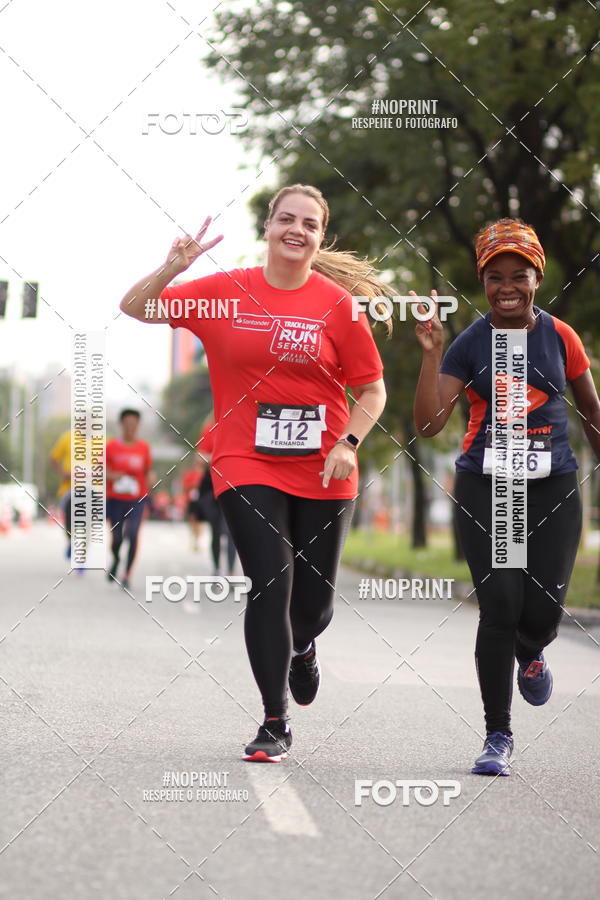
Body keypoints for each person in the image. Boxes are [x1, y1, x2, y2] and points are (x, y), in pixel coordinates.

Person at [119, 183, 389, 761]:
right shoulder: (225, 292)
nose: (296, 229)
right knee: (270, 582)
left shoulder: (337, 306)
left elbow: (371, 389)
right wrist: (170, 269)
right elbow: (136, 307)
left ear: (320, 237)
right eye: (286, 219)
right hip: (245, 460)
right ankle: (274, 720)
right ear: (268, 227)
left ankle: (304, 648)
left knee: (312, 608)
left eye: (309, 223)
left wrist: (348, 441)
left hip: (324, 466)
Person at [413, 218, 600, 776]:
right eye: (495, 277)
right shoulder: (470, 343)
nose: (507, 286)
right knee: (500, 607)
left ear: (537, 278)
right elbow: (428, 425)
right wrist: (430, 353)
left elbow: (591, 411)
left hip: (551, 487)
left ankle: (533, 650)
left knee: (541, 613)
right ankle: (498, 734)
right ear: (483, 281)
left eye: (519, 275)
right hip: (486, 486)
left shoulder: (562, 337)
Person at [106, 409, 153, 590]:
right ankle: (116, 559)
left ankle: (127, 574)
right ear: (121, 425)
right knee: (117, 537)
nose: (130, 428)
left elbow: (148, 471)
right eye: (127, 424)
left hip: (137, 498)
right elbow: (100, 471)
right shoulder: (111, 447)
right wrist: (113, 476)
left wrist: (149, 489)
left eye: (134, 425)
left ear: (138, 426)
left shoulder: (143, 448)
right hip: (115, 498)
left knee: (133, 534)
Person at [196, 417, 237, 575]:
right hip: (211, 487)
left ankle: (231, 572)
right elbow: (199, 456)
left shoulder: (238, 426)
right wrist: (218, 459)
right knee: (216, 531)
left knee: (230, 531)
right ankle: (217, 569)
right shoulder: (210, 428)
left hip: (233, 484)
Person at [49, 428, 75, 564]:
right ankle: (72, 541)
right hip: (69, 489)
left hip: (92, 489)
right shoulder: (67, 438)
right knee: (70, 524)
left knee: (88, 524)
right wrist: (63, 472)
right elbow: (54, 458)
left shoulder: (101, 441)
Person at [182, 455, 206, 551]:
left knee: (200, 522)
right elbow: (185, 487)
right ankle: (194, 539)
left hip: (201, 500)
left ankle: (197, 540)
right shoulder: (190, 474)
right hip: (192, 500)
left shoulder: (204, 474)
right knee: (192, 520)